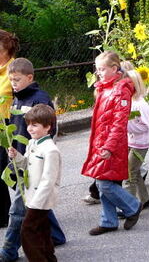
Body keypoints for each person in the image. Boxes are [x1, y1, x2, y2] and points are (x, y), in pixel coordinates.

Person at [0, 58, 66, 262]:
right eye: (11, 80)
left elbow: (50, 127)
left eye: (17, 80)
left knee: (18, 211)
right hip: (23, 159)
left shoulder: (40, 99)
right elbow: (16, 126)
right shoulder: (16, 100)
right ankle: (55, 236)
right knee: (35, 207)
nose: (13, 84)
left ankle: (9, 251)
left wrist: (37, 149)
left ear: (30, 77)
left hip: (35, 164)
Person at [81, 51, 141, 236]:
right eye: (97, 69)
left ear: (114, 69)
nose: (98, 72)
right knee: (105, 180)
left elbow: (119, 123)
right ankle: (108, 221)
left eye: (102, 69)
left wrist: (108, 146)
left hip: (111, 145)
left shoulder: (120, 90)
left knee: (104, 183)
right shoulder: (105, 88)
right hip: (102, 142)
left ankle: (132, 207)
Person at [8, 104, 61, 262]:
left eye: (35, 125)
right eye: (29, 124)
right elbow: (26, 165)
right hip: (32, 196)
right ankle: (49, 257)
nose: (30, 128)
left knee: (28, 231)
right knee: (42, 228)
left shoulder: (50, 150)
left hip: (41, 198)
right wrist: (16, 156)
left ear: (48, 127)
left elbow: (49, 180)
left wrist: (36, 202)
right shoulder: (32, 143)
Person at [123, 69, 149, 210]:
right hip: (131, 141)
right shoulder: (130, 101)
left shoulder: (140, 104)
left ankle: (130, 206)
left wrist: (126, 126)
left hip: (139, 144)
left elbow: (145, 126)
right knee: (135, 171)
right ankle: (144, 199)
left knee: (129, 174)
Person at [0, 30, 19, 229]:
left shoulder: (14, 68)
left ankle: (36, 205)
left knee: (14, 172)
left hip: (10, 127)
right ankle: (4, 214)